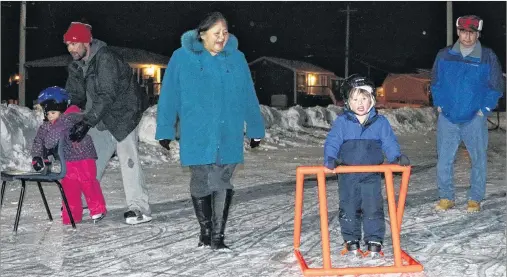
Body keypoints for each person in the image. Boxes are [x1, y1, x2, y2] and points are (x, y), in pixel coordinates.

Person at [155, 12, 265, 250]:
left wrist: (255, 128)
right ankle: (206, 231)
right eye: (217, 33)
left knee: (221, 179)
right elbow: (169, 96)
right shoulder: (181, 58)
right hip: (197, 131)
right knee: (201, 181)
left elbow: (248, 94)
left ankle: (217, 236)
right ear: (202, 34)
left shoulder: (237, 59)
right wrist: (164, 128)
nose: (222, 38)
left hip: (229, 130)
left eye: (225, 32)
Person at [63, 22, 152, 224]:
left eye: (74, 44)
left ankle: (139, 208)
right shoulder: (77, 65)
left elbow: (106, 94)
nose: (71, 49)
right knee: (89, 157)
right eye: (68, 44)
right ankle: (86, 200)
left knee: (128, 159)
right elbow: (75, 96)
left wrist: (87, 122)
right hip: (101, 116)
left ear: (86, 41)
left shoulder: (106, 58)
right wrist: (65, 114)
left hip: (124, 114)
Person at [323, 75, 410, 257]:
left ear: (372, 100)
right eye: (355, 99)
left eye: (364, 98)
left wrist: (396, 157)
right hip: (348, 173)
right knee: (348, 207)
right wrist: (330, 158)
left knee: (373, 207)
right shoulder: (342, 123)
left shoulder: (380, 123)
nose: (360, 104)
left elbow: (389, 142)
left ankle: (374, 239)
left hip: (372, 173)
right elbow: (332, 142)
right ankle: (351, 239)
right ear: (347, 102)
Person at [430, 15, 504, 212]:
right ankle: (446, 197)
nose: (467, 37)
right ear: (458, 32)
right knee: (444, 161)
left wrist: (484, 109)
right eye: (464, 32)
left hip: (474, 119)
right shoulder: (444, 55)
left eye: (472, 33)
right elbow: (435, 83)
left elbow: (496, 87)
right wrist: (439, 104)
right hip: (448, 118)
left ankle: (475, 198)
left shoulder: (487, 57)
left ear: (478, 34)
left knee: (478, 160)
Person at [31, 86, 107, 224]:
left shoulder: (72, 117)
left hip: (83, 156)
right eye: (47, 113)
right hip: (67, 161)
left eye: (53, 112)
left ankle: (97, 209)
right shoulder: (48, 124)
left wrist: (48, 145)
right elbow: (39, 140)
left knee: (87, 182)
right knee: (69, 186)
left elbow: (51, 138)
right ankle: (71, 214)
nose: (50, 116)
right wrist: (37, 156)